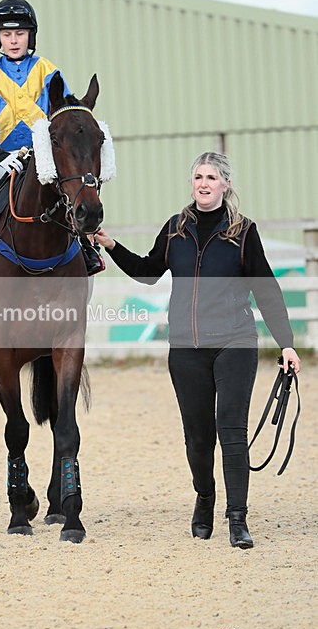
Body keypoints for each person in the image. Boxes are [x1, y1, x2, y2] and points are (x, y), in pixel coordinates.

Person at [95, 152, 301, 549]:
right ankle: (204, 498)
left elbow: (266, 289)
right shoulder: (175, 229)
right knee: (198, 437)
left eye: (211, 177)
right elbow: (148, 271)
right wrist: (110, 245)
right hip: (186, 349)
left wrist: (287, 342)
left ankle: (237, 518)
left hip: (234, 343)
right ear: (192, 184)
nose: (203, 183)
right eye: (197, 177)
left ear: (225, 184)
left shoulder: (243, 232)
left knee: (232, 431)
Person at [0, 0, 103, 277]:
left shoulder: (48, 71)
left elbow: (64, 112)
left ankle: (87, 247)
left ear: (31, 36)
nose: (14, 40)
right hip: (4, 157)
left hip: (46, 157)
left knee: (72, 190)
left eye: (20, 33)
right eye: (7, 34)